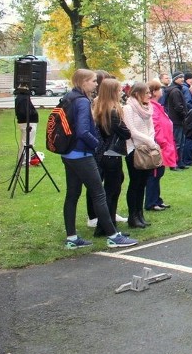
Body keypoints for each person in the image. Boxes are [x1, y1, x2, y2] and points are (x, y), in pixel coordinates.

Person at [60, 69, 137, 249]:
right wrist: (96, 145)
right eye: (94, 81)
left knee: (72, 194)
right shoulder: (81, 101)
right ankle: (112, 236)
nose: (96, 84)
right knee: (99, 193)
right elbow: (83, 131)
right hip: (82, 154)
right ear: (84, 82)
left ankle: (71, 237)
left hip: (68, 152)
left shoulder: (69, 97)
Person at [91, 78, 131, 237]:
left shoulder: (101, 108)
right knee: (111, 191)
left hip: (106, 153)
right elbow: (125, 133)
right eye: (119, 89)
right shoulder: (112, 112)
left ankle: (108, 224)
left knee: (112, 189)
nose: (121, 91)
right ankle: (105, 227)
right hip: (110, 154)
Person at [124, 82, 160, 228]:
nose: (149, 95)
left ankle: (140, 214)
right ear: (137, 94)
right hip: (134, 149)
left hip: (147, 148)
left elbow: (151, 126)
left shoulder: (147, 108)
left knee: (143, 183)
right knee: (135, 183)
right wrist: (149, 141)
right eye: (146, 93)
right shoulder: (128, 108)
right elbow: (131, 130)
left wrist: (150, 140)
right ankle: (133, 216)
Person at [146, 79, 177, 212]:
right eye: (159, 89)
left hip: (164, 144)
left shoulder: (157, 106)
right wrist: (162, 142)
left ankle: (157, 199)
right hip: (159, 145)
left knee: (159, 173)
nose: (162, 91)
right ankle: (151, 202)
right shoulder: (152, 107)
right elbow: (156, 127)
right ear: (154, 92)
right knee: (154, 174)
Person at [165, 72, 188, 169]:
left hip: (178, 120)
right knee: (177, 143)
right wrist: (184, 115)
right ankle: (175, 163)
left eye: (183, 77)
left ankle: (179, 162)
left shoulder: (177, 90)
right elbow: (178, 106)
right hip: (177, 121)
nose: (182, 79)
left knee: (180, 143)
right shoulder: (175, 91)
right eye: (180, 77)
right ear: (175, 79)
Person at [14, 83, 39, 165]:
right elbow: (23, 112)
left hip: (25, 122)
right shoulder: (24, 99)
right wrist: (33, 113)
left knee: (25, 142)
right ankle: (24, 161)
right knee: (28, 142)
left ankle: (23, 160)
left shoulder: (20, 98)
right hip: (27, 123)